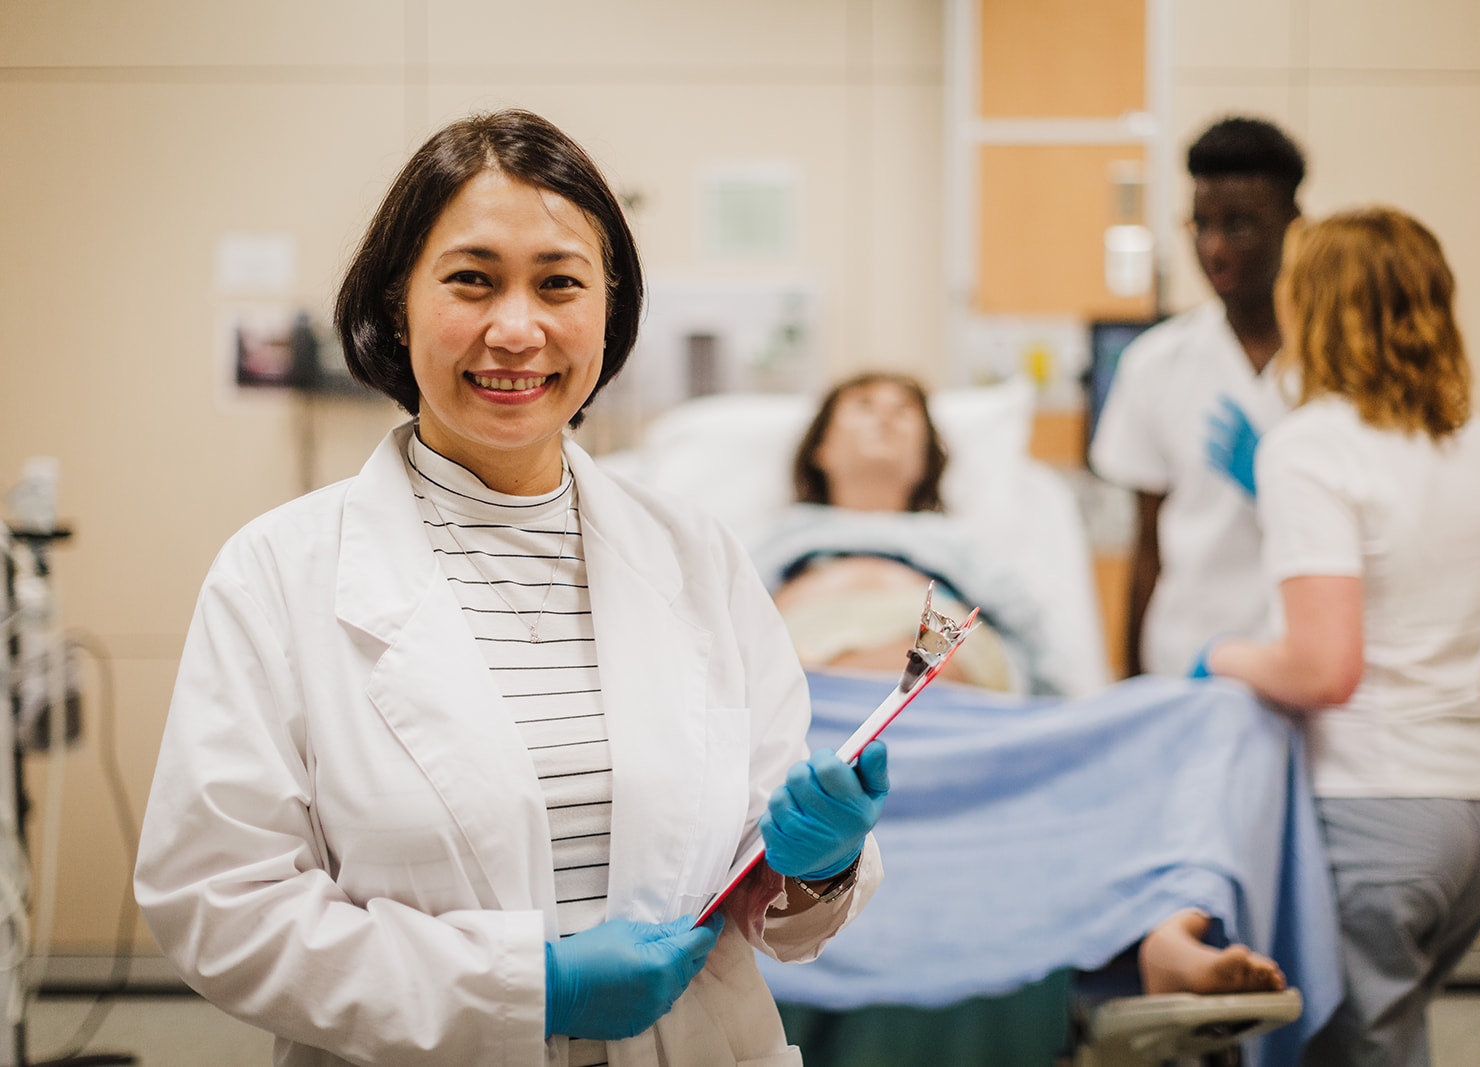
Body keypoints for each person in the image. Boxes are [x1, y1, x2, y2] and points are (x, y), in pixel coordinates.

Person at [134, 109, 889, 1067]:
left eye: (560, 283)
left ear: (607, 312)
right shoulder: (278, 573)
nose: (517, 328)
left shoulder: (697, 557)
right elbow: (221, 906)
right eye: (472, 280)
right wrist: (533, 988)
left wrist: (815, 867)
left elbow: (760, 895)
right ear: (397, 304)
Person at [758, 373, 1289, 1067]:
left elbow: (1041, 661)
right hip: (812, 731)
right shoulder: (770, 544)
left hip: (965, 735)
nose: (886, 420)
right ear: (820, 446)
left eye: (905, 413)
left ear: (926, 460)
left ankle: (1170, 934)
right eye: (863, 406)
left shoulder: (965, 552)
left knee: (1224, 712)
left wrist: (1061, 741)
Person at [1200, 207, 1480, 1066]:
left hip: (1377, 813)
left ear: (1314, 306)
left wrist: (1221, 656)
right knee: (1391, 1034)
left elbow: (1324, 668)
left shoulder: (1310, 447)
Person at [1089, 116, 1306, 677]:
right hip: (1186, 659)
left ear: (1293, 225)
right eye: (1200, 225)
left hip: (1300, 659)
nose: (1213, 248)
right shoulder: (1156, 364)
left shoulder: (1336, 364)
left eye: (1239, 226)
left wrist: (1276, 481)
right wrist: (1130, 690)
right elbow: (1145, 551)